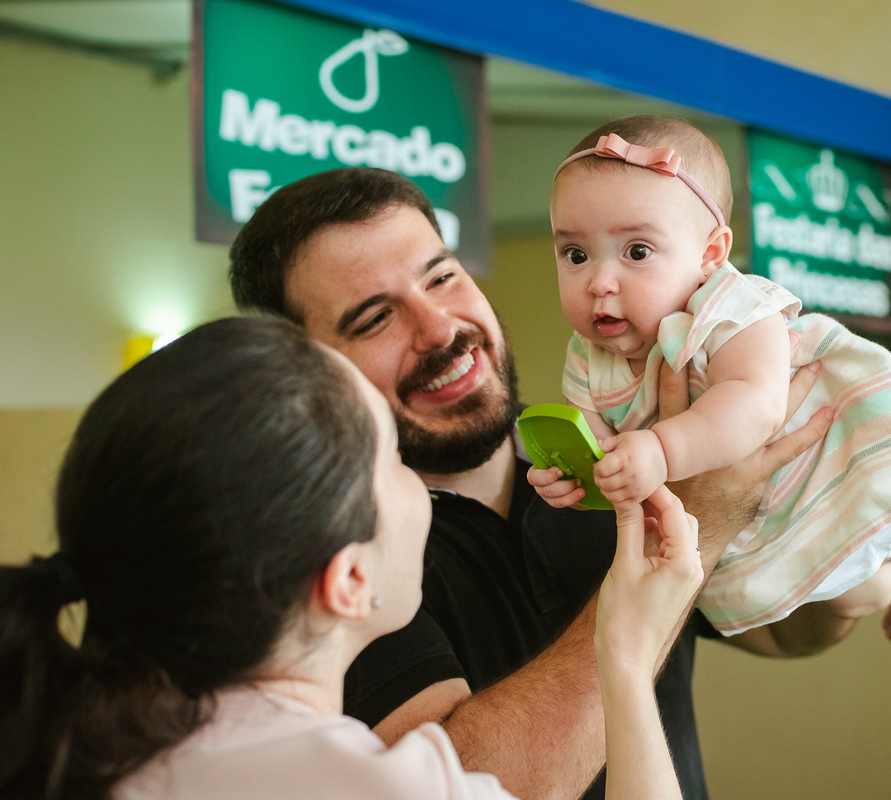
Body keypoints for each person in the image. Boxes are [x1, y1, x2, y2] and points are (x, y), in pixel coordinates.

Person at [227, 166, 840, 800]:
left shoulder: (608, 445)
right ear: (307, 369)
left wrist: (853, 527)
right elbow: (465, 786)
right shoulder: (326, 560)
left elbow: (780, 631)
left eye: (441, 278)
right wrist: (700, 523)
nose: (440, 328)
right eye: (375, 318)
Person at [0, 316, 706, 800]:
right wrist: (624, 652)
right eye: (393, 461)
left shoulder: (90, 755)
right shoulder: (381, 788)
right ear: (350, 579)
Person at [532, 114, 891, 657]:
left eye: (637, 252)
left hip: (860, 425)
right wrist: (580, 483)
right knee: (840, 589)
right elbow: (610, 459)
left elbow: (755, 404)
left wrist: (659, 448)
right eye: (575, 255)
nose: (599, 281)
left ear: (711, 256)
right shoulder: (587, 361)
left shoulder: (728, 308)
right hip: (783, 508)